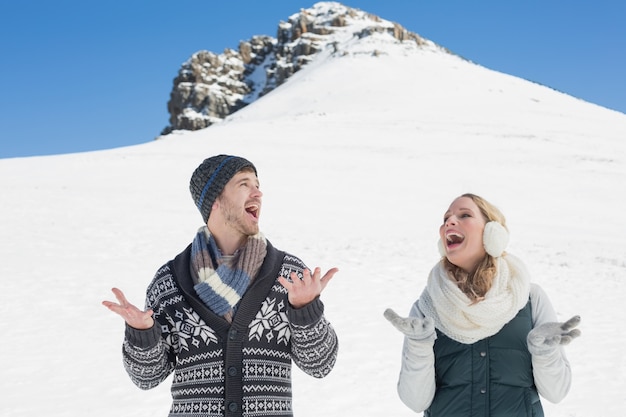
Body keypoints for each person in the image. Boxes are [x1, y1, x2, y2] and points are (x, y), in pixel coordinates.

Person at [103, 154, 339, 417]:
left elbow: (321, 365)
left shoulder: (289, 275)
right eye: (244, 184)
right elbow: (147, 378)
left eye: (258, 185)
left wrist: (306, 311)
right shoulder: (169, 282)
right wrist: (142, 333)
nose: (258, 193)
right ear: (215, 200)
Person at [384, 193, 580, 417]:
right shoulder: (428, 307)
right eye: (446, 218)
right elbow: (416, 401)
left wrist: (545, 354)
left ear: (492, 233)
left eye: (464, 215)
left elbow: (557, 392)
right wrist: (419, 348)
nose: (449, 221)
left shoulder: (529, 298)